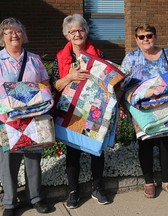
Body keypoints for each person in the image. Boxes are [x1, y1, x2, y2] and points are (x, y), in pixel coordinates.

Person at [50, 13, 109, 209]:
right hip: (70, 112)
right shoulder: (60, 58)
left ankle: (97, 188)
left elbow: (108, 80)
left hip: (93, 111)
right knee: (73, 152)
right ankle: (73, 192)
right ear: (67, 35)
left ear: (86, 31)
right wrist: (71, 76)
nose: (77, 34)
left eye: (81, 29)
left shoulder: (98, 53)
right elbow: (54, 86)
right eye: (72, 31)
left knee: (96, 151)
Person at [121, 24, 168, 198]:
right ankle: (149, 182)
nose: (145, 40)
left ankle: (167, 181)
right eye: (141, 37)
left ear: (155, 37)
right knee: (146, 143)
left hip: (166, 105)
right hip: (141, 108)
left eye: (149, 36)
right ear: (136, 39)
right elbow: (122, 82)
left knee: (166, 143)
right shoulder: (131, 58)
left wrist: (164, 86)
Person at [0, 17, 51, 215]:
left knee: (33, 160)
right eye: (9, 32)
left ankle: (35, 197)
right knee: (8, 163)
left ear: (23, 35)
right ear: (2, 37)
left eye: (18, 31)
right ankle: (10, 203)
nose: (14, 35)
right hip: (7, 120)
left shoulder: (34, 59)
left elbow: (45, 85)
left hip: (33, 118)